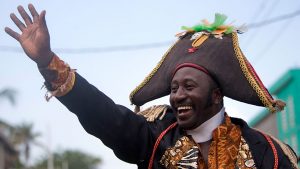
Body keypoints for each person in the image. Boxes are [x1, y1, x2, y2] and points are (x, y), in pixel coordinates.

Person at [5, 4, 298, 169]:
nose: (177, 95)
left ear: (216, 95)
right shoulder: (155, 137)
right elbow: (101, 114)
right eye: (173, 88)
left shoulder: (267, 153)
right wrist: (47, 61)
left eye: (188, 87)